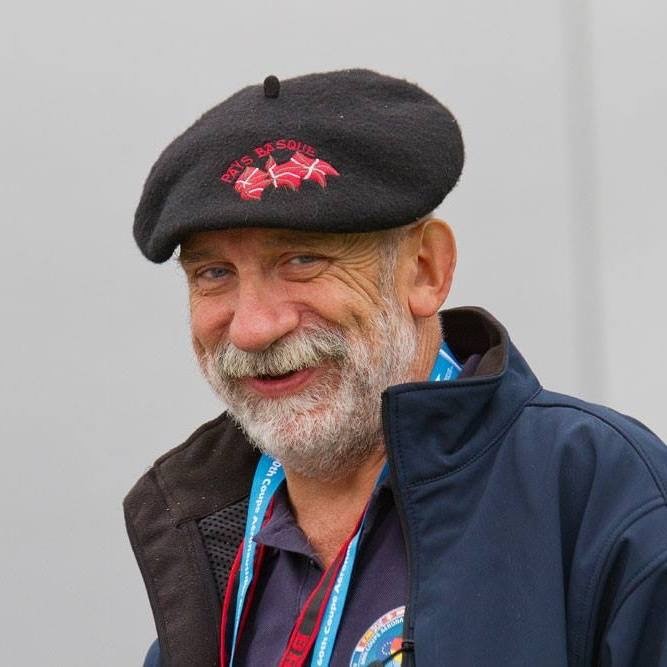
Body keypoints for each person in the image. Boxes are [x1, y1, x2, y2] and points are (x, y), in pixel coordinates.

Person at [125, 70, 667, 667]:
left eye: (302, 260)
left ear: (425, 270)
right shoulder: (213, 549)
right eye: (214, 274)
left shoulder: (599, 496)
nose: (253, 327)